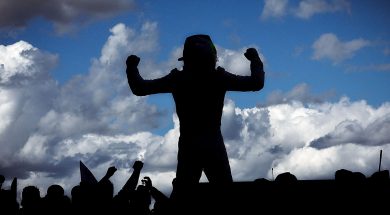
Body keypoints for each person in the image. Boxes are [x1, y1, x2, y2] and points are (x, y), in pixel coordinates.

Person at [126, 34, 264, 188]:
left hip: (189, 145)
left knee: (184, 194)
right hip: (213, 143)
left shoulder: (178, 79)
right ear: (213, 57)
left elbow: (140, 88)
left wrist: (132, 67)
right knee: (225, 195)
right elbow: (256, 83)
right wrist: (255, 60)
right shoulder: (218, 78)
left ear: (186, 58)